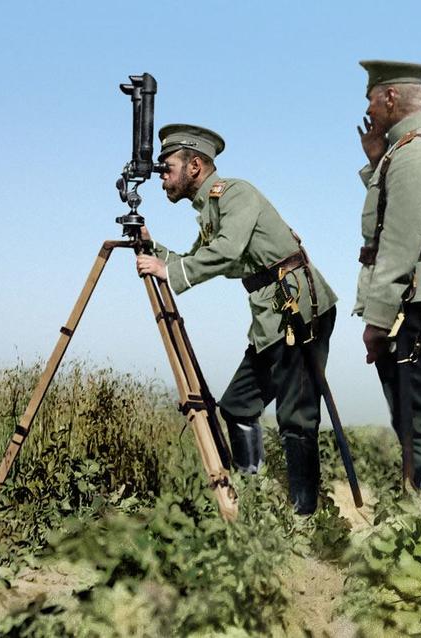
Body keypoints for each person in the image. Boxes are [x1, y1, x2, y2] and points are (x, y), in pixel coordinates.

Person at [136, 124, 338, 514]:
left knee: (295, 416)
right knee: (238, 405)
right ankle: (254, 499)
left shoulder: (235, 193)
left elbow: (226, 252)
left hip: (298, 309)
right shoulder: (211, 208)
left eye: (167, 168)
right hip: (271, 316)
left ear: (195, 166)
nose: (162, 177)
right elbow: (189, 260)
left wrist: (168, 272)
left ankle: (304, 514)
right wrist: (150, 246)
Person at [354, 60, 421, 491]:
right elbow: (398, 218)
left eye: (371, 96)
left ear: (391, 97)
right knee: (413, 417)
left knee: (419, 422)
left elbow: (398, 245)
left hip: (414, 303)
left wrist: (376, 321)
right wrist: (376, 162)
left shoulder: (413, 155)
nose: (368, 105)